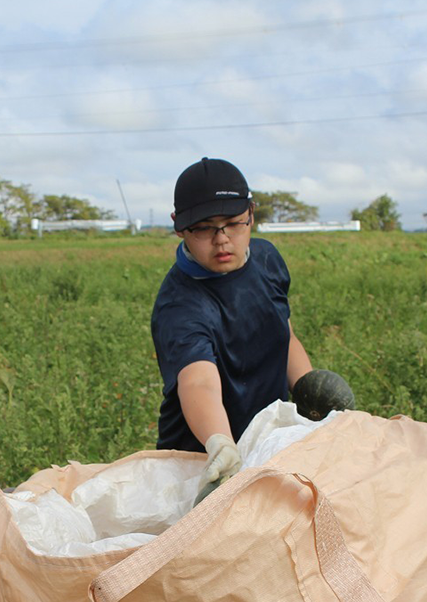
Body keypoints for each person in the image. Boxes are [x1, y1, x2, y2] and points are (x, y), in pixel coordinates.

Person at [150, 157, 353, 502]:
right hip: (203, 461)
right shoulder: (180, 305)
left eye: (233, 223)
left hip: (269, 442)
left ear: (251, 214)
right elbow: (198, 381)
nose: (222, 240)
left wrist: (311, 395)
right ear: (179, 226)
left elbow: (283, 335)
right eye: (204, 228)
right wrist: (220, 444)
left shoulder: (267, 259)